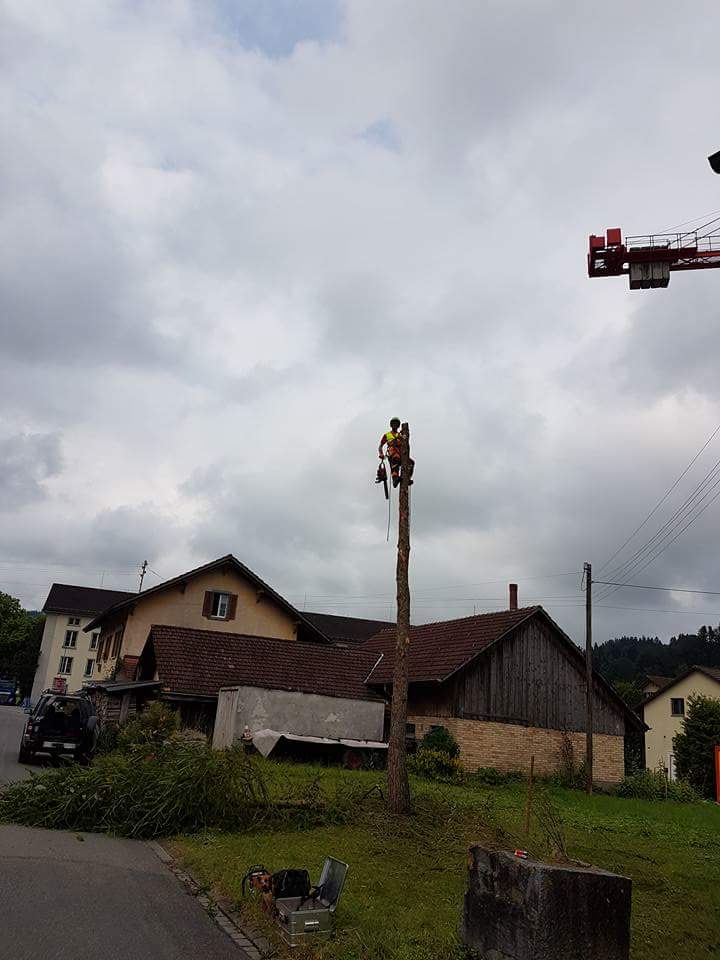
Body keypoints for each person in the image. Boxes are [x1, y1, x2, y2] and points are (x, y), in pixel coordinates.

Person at [378, 418, 414, 488]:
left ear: (398, 425)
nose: (395, 425)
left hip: (401, 454)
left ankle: (407, 478)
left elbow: (405, 443)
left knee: (411, 463)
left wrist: (403, 436)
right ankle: (395, 479)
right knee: (396, 458)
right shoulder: (387, 435)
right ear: (391, 425)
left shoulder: (400, 435)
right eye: (393, 424)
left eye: (396, 424)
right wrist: (381, 454)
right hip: (393, 453)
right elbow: (380, 446)